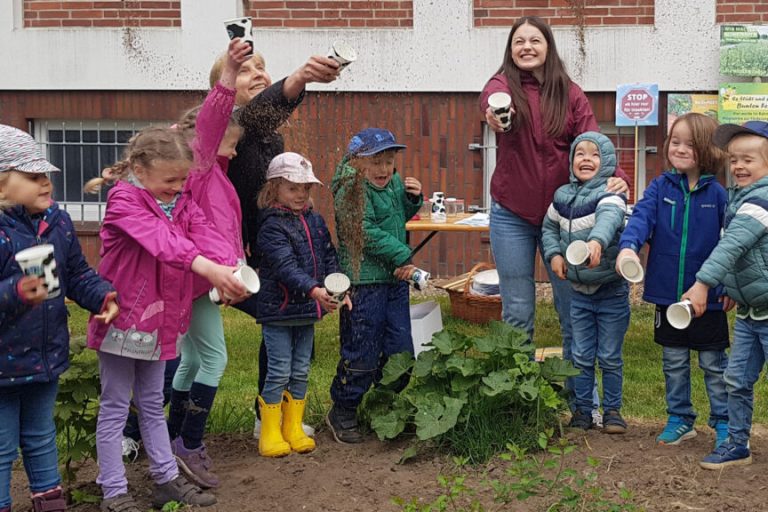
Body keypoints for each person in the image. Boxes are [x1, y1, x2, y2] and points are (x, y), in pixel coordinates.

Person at [85, 127, 248, 511]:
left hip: (161, 323)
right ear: (140, 169)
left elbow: (205, 233)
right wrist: (209, 269)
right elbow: (165, 242)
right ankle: (114, 490)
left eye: (182, 180)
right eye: (170, 180)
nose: (177, 187)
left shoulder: (181, 203)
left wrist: (231, 268)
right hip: (122, 318)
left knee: (154, 403)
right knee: (114, 406)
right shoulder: (125, 200)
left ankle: (165, 480)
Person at [478, 17, 628, 413]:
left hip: (564, 218)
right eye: (518, 41)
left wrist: (619, 177)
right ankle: (519, 397)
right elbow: (492, 105)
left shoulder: (571, 94)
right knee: (518, 309)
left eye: (535, 40)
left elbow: (592, 142)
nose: (526, 47)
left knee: (572, 307)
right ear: (510, 49)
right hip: (512, 212)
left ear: (548, 46)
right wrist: (496, 116)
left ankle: (580, 399)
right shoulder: (501, 87)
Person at [209, 45, 340, 438]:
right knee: (181, 352)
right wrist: (298, 79)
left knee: (285, 319)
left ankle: (269, 418)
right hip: (208, 256)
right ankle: (133, 430)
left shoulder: (271, 140)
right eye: (246, 69)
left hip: (254, 253)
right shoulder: (221, 125)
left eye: (263, 67)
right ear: (224, 86)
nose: (259, 73)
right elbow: (254, 114)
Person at [0, 125, 118, 512]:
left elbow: (76, 274)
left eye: (45, 175)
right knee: (2, 449)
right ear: (2, 187)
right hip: (2, 367)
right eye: (32, 177)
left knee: (40, 436)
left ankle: (50, 505)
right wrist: (16, 292)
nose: (45, 183)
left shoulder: (57, 221)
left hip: (43, 358)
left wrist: (100, 296)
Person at [162, 37, 251, 489]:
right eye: (229, 145)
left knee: (192, 359)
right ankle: (187, 443)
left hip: (197, 277)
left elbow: (220, 225)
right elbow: (214, 122)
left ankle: (172, 436)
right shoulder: (197, 163)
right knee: (214, 359)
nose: (231, 152)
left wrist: (234, 261)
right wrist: (231, 75)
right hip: (194, 278)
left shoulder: (212, 173)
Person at [618, 113, 729, 448]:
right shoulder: (659, 188)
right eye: (674, 141)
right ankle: (680, 418)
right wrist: (627, 248)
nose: (679, 148)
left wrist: (728, 285)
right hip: (667, 296)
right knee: (674, 362)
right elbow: (640, 220)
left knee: (713, 364)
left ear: (708, 150)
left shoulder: (720, 195)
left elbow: (731, 243)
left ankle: (725, 422)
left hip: (709, 298)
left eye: (689, 143)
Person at [326, 128, 423, 444]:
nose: (384, 169)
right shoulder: (350, 188)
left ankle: (379, 405)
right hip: (364, 282)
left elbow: (394, 217)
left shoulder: (392, 181)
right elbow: (362, 230)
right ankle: (343, 408)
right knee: (362, 350)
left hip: (393, 280)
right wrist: (402, 254)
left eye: (390, 160)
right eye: (376, 162)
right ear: (356, 163)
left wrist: (412, 199)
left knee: (401, 351)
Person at [683, 121, 768, 469]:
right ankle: (737, 443)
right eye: (733, 160)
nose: (738, 167)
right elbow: (743, 256)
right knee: (736, 378)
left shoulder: (761, 200)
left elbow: (731, 246)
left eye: (748, 159)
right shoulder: (739, 199)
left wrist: (703, 284)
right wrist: (732, 287)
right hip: (750, 312)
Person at [254, 152, 350, 457]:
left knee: (300, 371)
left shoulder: (314, 220)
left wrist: (338, 287)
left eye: (305, 188)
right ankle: (269, 430)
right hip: (279, 311)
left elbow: (329, 255)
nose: (301, 195)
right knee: (279, 370)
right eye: (293, 188)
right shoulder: (270, 227)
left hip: (307, 311)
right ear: (273, 189)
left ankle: (292, 428)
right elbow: (285, 267)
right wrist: (313, 290)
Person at [541, 132, 630, 434]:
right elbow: (549, 226)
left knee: (609, 355)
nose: (587, 159)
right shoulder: (562, 196)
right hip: (578, 293)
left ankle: (613, 411)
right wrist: (553, 254)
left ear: (607, 162)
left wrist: (596, 241)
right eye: (580, 153)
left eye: (595, 154)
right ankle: (582, 411)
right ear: (571, 160)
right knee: (580, 354)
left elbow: (608, 218)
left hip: (611, 292)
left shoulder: (611, 193)